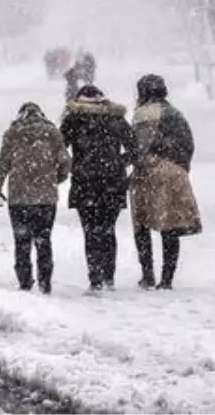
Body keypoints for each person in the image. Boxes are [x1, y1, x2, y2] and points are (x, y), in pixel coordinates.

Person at [60, 84, 137, 293]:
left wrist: (72, 165)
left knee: (91, 232)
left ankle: (95, 279)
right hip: (113, 183)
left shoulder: (74, 120)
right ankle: (109, 277)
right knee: (108, 230)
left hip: (85, 184)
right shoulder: (115, 118)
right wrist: (119, 162)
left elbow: (59, 149)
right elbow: (135, 148)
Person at [0, 102, 71, 294]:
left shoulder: (12, 134)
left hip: (19, 198)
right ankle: (45, 282)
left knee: (22, 241)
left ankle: (25, 281)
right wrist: (55, 179)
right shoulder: (52, 133)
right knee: (44, 240)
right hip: (46, 199)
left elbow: (2, 165)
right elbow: (65, 161)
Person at [130, 74, 202, 290]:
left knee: (141, 224)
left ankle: (148, 274)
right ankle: (167, 278)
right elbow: (188, 144)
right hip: (176, 172)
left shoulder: (145, 113)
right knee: (170, 226)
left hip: (151, 172)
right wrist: (180, 167)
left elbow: (140, 148)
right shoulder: (175, 112)